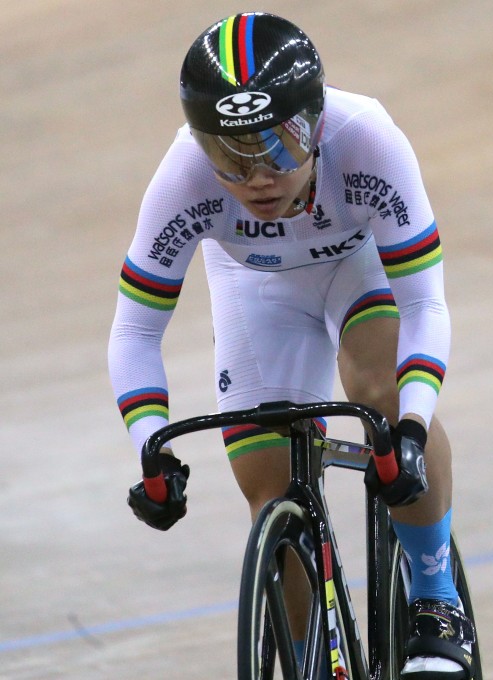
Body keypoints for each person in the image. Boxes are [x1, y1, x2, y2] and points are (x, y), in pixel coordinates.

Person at [109, 12, 474, 679]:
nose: (257, 178)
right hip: (257, 289)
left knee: (379, 390)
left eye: (278, 146)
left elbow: (424, 303)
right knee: (268, 486)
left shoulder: (367, 139)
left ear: (317, 122)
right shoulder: (183, 177)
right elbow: (135, 330)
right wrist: (150, 451)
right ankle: (316, 660)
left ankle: (434, 597)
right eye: (230, 155)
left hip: (356, 269)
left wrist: (413, 428)